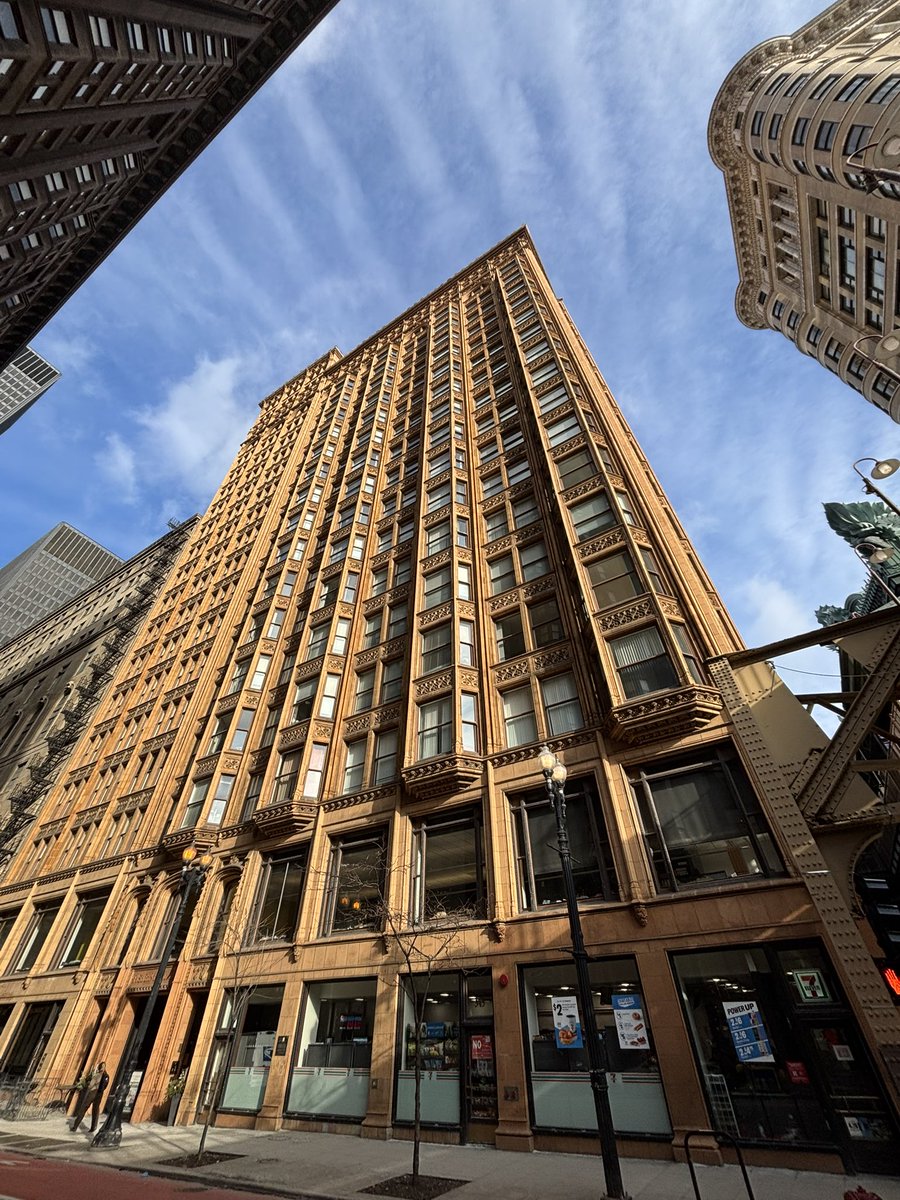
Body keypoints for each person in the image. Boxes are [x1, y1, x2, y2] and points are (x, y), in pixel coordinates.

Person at [69, 1060, 109, 1133]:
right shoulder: (106, 1076)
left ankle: (75, 1126)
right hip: (100, 1094)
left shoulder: (97, 1075)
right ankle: (93, 1127)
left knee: (84, 1108)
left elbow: (90, 1085)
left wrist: (87, 1085)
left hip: (93, 1092)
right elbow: (106, 1085)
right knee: (95, 1110)